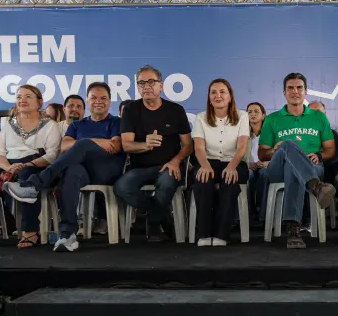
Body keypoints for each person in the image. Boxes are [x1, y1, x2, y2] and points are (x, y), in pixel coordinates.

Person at [3, 82, 124, 252]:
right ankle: (68, 235)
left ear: (110, 101)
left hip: (106, 170)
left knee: (82, 146)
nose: (98, 101)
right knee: (71, 171)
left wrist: (85, 143)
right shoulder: (77, 125)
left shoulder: (116, 122)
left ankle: (33, 184)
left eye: (103, 98)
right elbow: (65, 146)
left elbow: (115, 146)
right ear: (88, 101)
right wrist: (97, 143)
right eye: (94, 97)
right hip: (83, 171)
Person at [0, 84, 62, 249]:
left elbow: (52, 155)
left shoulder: (49, 125)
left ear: (39, 102)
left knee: (27, 175)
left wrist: (28, 164)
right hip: (8, 162)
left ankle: (30, 231)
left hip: (35, 162)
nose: (22, 100)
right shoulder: (7, 122)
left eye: (28, 96)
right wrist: (8, 167)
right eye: (19, 96)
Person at [258, 73, 336, 249]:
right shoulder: (272, 119)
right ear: (284, 93)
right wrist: (276, 150)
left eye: (299, 87)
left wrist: (320, 155)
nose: (295, 91)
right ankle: (316, 186)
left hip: (312, 166)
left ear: (305, 92)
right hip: (276, 168)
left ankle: (293, 229)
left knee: (293, 170)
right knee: (288, 145)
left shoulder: (319, 117)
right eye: (290, 88)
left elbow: (331, 149)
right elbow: (262, 154)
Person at [115, 65, 192, 241]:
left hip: (168, 166)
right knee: (121, 188)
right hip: (139, 168)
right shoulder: (130, 110)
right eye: (141, 83)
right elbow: (126, 145)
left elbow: (188, 145)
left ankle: (154, 224)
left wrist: (176, 161)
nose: (146, 86)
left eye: (151, 82)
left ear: (161, 86)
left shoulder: (176, 110)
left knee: (166, 183)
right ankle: (161, 215)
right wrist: (145, 145)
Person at [191, 79, 250, 246]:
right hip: (207, 161)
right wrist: (205, 166)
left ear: (230, 96)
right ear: (209, 97)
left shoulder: (242, 116)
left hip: (234, 161)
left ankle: (221, 235)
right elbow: (199, 148)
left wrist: (232, 167)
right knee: (202, 180)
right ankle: (203, 234)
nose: (218, 96)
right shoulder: (201, 118)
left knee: (230, 181)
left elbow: (242, 147)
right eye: (213, 92)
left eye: (222, 92)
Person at [247, 102, 269, 222]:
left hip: (265, 166)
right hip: (248, 166)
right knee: (247, 174)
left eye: (256, 111)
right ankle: (248, 213)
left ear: (263, 115)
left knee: (265, 173)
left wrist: (267, 163)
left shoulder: (270, 133)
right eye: (249, 112)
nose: (252, 114)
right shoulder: (242, 133)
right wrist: (247, 164)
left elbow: (277, 152)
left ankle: (263, 213)